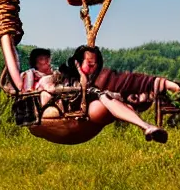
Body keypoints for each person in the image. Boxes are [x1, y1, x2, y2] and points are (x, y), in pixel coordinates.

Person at [35, 45, 168, 143]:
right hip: (67, 113)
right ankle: (143, 124)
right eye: (90, 64)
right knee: (104, 97)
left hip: (89, 110)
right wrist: (80, 77)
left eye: (96, 65)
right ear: (77, 63)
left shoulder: (94, 84)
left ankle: (146, 127)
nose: (93, 68)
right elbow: (48, 85)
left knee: (106, 97)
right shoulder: (61, 76)